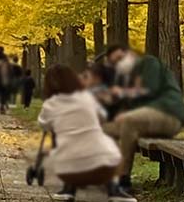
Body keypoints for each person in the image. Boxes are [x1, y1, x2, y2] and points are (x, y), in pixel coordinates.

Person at [38, 64, 129, 202]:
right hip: (102, 160)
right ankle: (114, 190)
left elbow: (43, 124)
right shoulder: (86, 98)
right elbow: (102, 116)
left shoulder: (50, 104)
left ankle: (69, 189)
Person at [103, 45, 184, 195]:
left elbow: (149, 90)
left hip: (167, 114)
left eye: (120, 58)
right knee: (103, 129)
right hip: (145, 120)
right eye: (115, 63)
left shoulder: (149, 63)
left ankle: (123, 180)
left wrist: (123, 93)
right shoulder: (129, 77)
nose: (119, 64)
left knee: (128, 120)